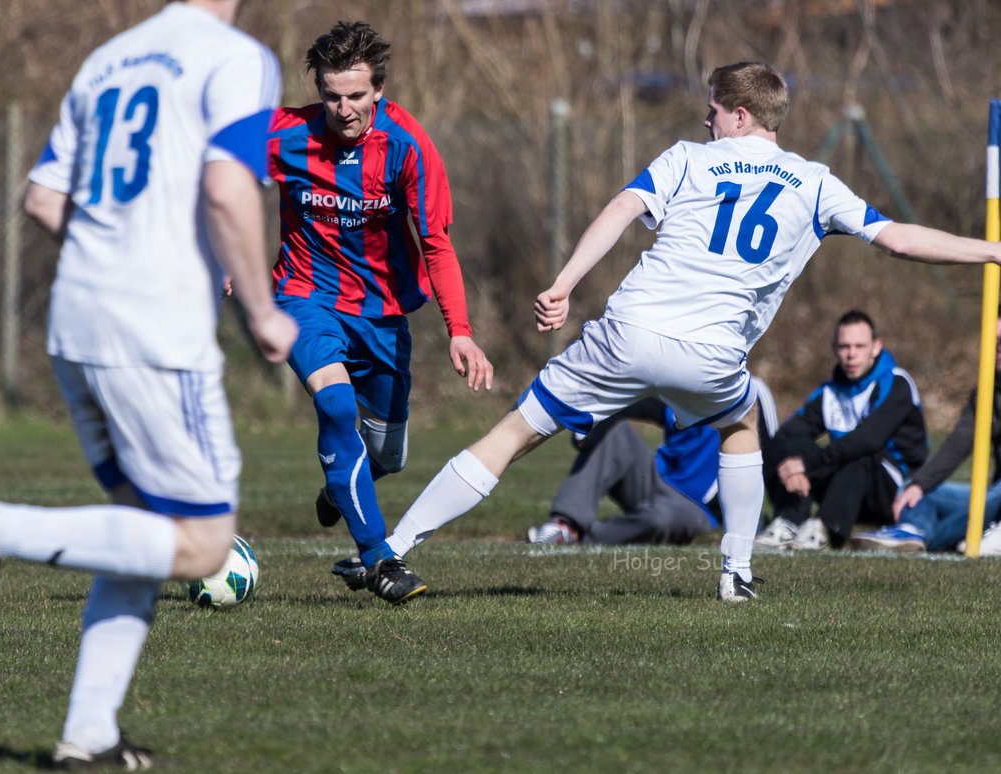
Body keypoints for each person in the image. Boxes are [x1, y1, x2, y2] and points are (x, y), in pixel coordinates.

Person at [359, 60, 1001, 605]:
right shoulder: (814, 183)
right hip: (711, 358)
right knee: (743, 423)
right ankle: (738, 573)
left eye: (714, 111)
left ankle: (391, 548)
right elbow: (898, 240)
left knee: (514, 433)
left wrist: (564, 282)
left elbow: (620, 210)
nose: (707, 121)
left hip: (627, 333)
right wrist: (990, 250)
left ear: (742, 116)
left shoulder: (689, 160)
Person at [0, 0, 296, 767]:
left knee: (144, 526)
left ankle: (88, 737)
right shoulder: (236, 56)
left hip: (77, 319)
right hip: (154, 330)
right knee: (202, 544)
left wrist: (117, 245)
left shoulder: (108, 59)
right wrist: (263, 311)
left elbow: (41, 199)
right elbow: (228, 186)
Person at [266, 21, 493, 601]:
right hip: (304, 297)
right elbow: (215, 180)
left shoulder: (407, 145)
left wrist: (460, 332)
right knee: (337, 408)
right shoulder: (283, 134)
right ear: (319, 90)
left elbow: (437, 244)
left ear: (379, 90)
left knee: (385, 455)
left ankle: (340, 487)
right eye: (332, 96)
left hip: (383, 313)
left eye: (356, 96)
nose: (344, 109)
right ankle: (381, 561)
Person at [528, 378, 778, 547]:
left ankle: (585, 538)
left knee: (664, 518)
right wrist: (589, 428)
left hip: (697, 509)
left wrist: (779, 515)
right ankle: (564, 525)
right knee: (615, 433)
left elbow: (774, 457)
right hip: (654, 481)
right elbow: (626, 403)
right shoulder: (676, 385)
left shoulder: (752, 392)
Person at [755, 310, 927, 551]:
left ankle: (826, 529)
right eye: (844, 346)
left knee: (862, 454)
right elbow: (787, 435)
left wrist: (805, 464)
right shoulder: (830, 391)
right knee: (787, 446)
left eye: (859, 345)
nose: (851, 354)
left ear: (875, 348)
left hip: (895, 490)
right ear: (835, 348)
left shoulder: (897, 382)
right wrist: (793, 465)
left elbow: (868, 440)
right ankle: (790, 520)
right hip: (845, 482)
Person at [852, 320, 1001, 554]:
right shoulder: (986, 392)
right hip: (994, 495)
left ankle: (942, 540)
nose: (998, 347)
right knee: (914, 489)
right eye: (994, 341)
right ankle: (914, 532)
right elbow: (958, 444)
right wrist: (920, 484)